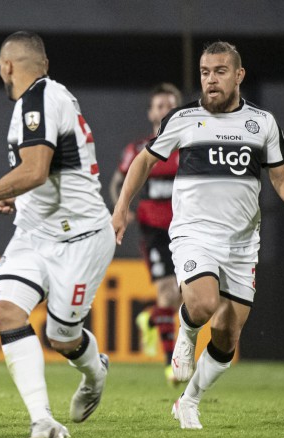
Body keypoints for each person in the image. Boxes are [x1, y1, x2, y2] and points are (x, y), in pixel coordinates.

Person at [112, 41, 284, 430]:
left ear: (238, 75)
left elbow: (279, 175)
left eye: (220, 71)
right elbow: (143, 161)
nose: (211, 79)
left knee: (227, 335)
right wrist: (122, 207)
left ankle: (188, 402)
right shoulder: (184, 118)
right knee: (203, 304)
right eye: (205, 72)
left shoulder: (262, 123)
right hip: (193, 233)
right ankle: (184, 340)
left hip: (242, 243)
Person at [0, 31, 114, 438]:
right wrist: (16, 195)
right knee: (6, 310)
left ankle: (95, 374)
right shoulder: (41, 99)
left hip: (82, 237)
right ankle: (43, 420)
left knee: (62, 337)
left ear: (6, 66)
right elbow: (49, 171)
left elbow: (35, 169)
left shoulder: (38, 100)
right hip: (35, 233)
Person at [108, 83, 183, 385]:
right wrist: (122, 207)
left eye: (169, 105)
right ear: (151, 112)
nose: (164, 110)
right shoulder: (138, 150)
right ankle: (171, 365)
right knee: (167, 293)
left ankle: (151, 318)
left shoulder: (189, 148)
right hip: (154, 231)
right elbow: (117, 183)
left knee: (183, 298)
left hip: (187, 230)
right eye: (159, 105)